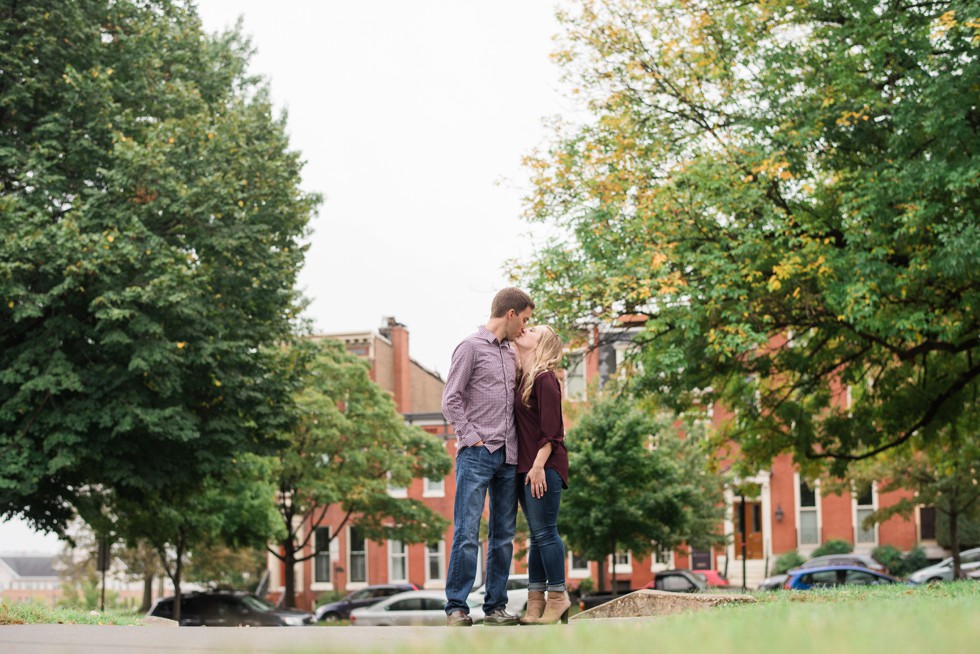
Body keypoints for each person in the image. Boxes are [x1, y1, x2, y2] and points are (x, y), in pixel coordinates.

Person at [442, 287, 534, 627]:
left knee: (504, 536)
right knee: (467, 532)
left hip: (509, 457)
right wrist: (472, 439)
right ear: (509, 314)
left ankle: (495, 606)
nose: (524, 328)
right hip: (477, 456)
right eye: (523, 320)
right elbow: (450, 399)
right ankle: (456, 607)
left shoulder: (512, 353)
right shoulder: (470, 348)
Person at [513, 325, 570, 624]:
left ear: (543, 343)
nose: (526, 328)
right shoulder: (524, 377)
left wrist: (537, 467)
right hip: (527, 467)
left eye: (534, 328)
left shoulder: (546, 379)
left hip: (543, 466)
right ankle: (535, 602)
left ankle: (558, 598)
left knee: (546, 532)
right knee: (535, 537)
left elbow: (552, 432)